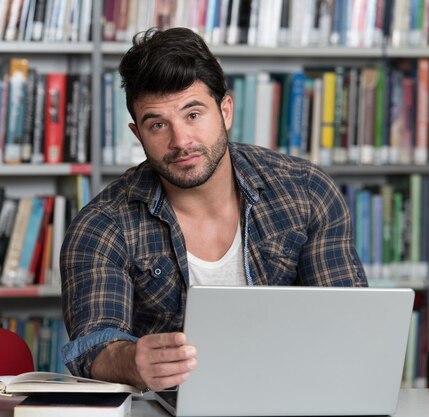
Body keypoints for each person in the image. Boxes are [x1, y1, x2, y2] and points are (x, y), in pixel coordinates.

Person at [60, 27, 367, 392]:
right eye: (158, 124)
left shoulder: (306, 191)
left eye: (193, 114)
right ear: (137, 134)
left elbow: (350, 324)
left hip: (294, 398)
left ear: (225, 111)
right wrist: (131, 361)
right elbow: (94, 346)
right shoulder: (101, 225)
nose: (180, 141)